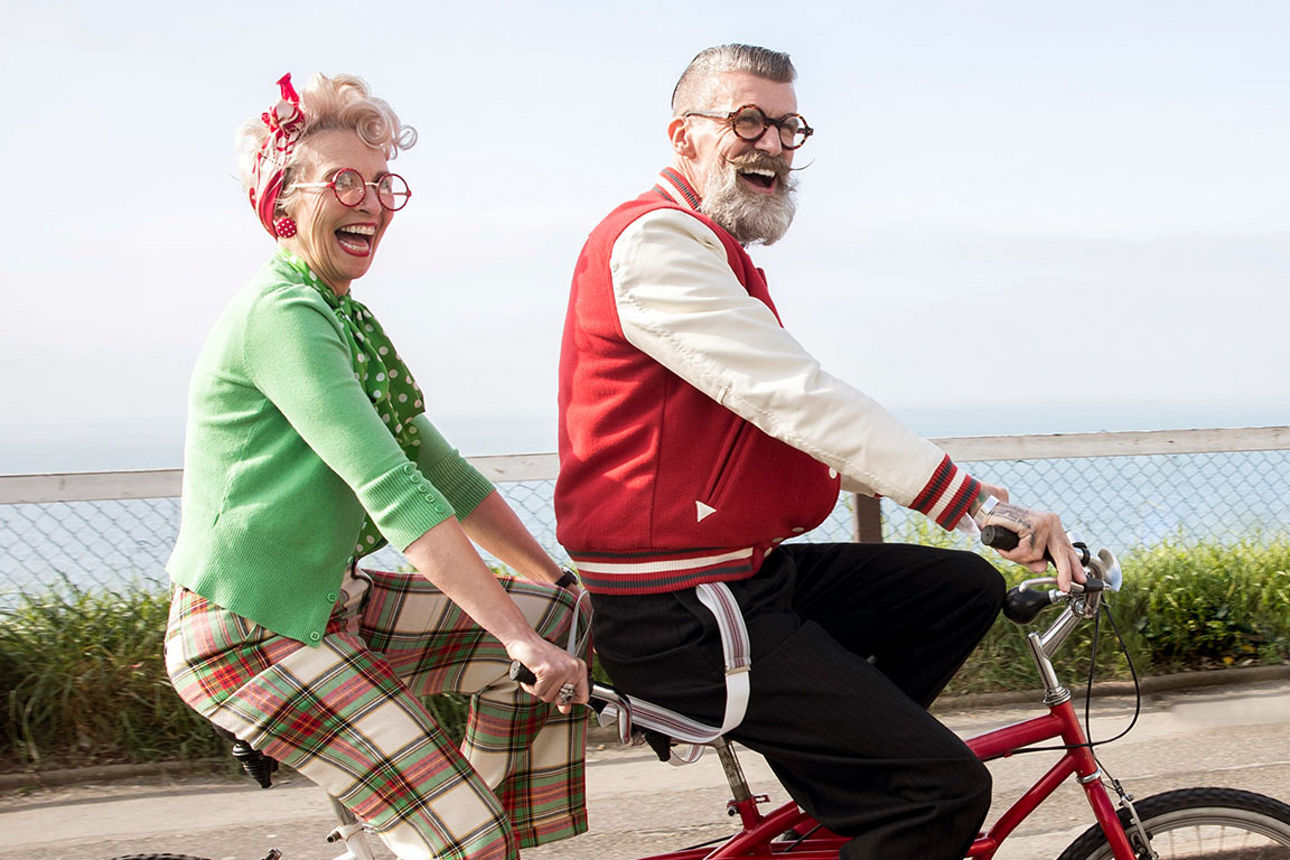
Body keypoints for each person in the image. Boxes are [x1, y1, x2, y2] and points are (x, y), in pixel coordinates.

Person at [555, 45, 1085, 858]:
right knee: (942, 793)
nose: (771, 143)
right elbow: (794, 397)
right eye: (746, 121)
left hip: (742, 579)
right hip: (685, 613)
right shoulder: (655, 246)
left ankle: (847, 785)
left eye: (788, 127)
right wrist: (981, 507)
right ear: (683, 136)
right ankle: (892, 796)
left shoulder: (709, 249)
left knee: (958, 590)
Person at [164, 73, 589, 860]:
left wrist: (558, 584)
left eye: (382, 182)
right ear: (283, 204)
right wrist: (515, 641)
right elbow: (389, 484)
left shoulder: (343, 317)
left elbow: (447, 477)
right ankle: (466, 837)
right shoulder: (282, 314)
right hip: (251, 635)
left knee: (554, 617)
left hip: (335, 608)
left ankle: (467, 834)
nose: (370, 202)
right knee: (472, 830)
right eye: (344, 182)